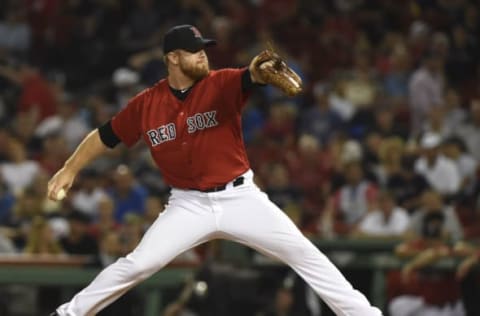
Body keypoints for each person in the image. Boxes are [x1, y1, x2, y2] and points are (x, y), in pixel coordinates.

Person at [47, 25, 382, 316]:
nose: (203, 56)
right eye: (195, 52)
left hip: (240, 197)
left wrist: (257, 72)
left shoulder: (220, 84)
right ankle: (69, 313)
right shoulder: (146, 104)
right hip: (187, 204)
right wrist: (69, 168)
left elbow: (248, 76)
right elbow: (105, 136)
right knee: (139, 264)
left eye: (204, 50)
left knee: (304, 253)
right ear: (173, 58)